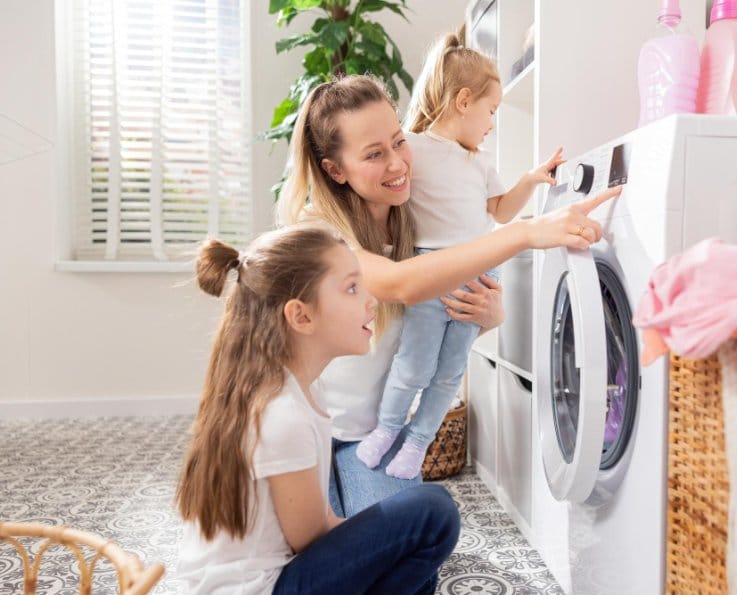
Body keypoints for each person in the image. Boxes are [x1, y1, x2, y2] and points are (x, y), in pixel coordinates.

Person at [278, 75, 620, 518]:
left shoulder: (420, 224)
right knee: (328, 554)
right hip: (310, 434)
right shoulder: (320, 233)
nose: (398, 163)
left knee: (409, 544)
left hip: (376, 435)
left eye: (399, 142)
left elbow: (424, 326)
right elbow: (400, 284)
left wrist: (485, 319)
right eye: (374, 154)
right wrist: (525, 233)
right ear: (335, 170)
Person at [175, 223, 460, 594]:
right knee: (432, 512)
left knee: (417, 560)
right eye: (352, 288)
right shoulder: (282, 413)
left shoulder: (297, 389)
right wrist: (382, 542)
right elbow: (310, 541)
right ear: (301, 316)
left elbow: (322, 527)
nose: (371, 301)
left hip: (274, 578)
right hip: (262, 588)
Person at [355, 29, 568, 479]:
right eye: (491, 111)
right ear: (464, 101)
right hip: (429, 273)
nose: (492, 122)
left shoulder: (481, 162)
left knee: (450, 374)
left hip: (477, 276)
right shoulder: (413, 149)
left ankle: (416, 445)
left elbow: (503, 213)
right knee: (414, 365)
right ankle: (386, 431)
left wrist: (530, 180)